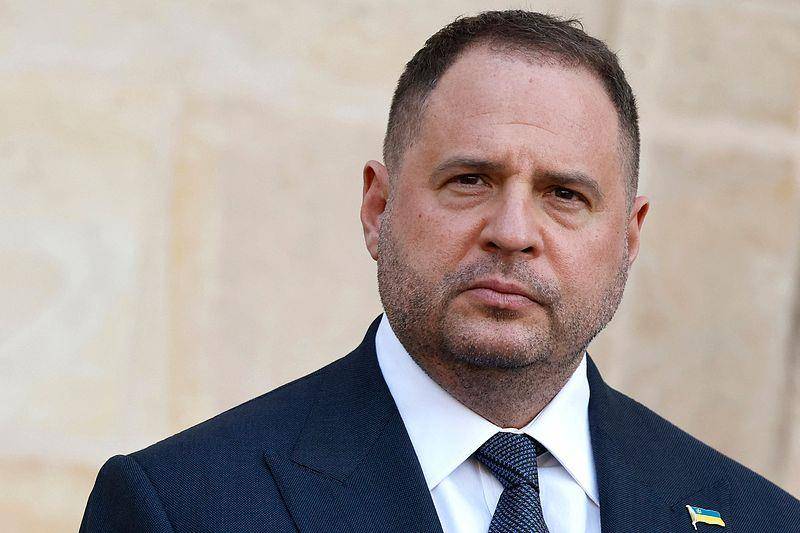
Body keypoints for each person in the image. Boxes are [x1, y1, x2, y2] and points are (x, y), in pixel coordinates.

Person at [80, 10, 800, 533]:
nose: (512, 232)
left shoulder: (759, 519)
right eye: (470, 180)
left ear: (629, 238)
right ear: (378, 207)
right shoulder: (181, 507)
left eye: (564, 195)